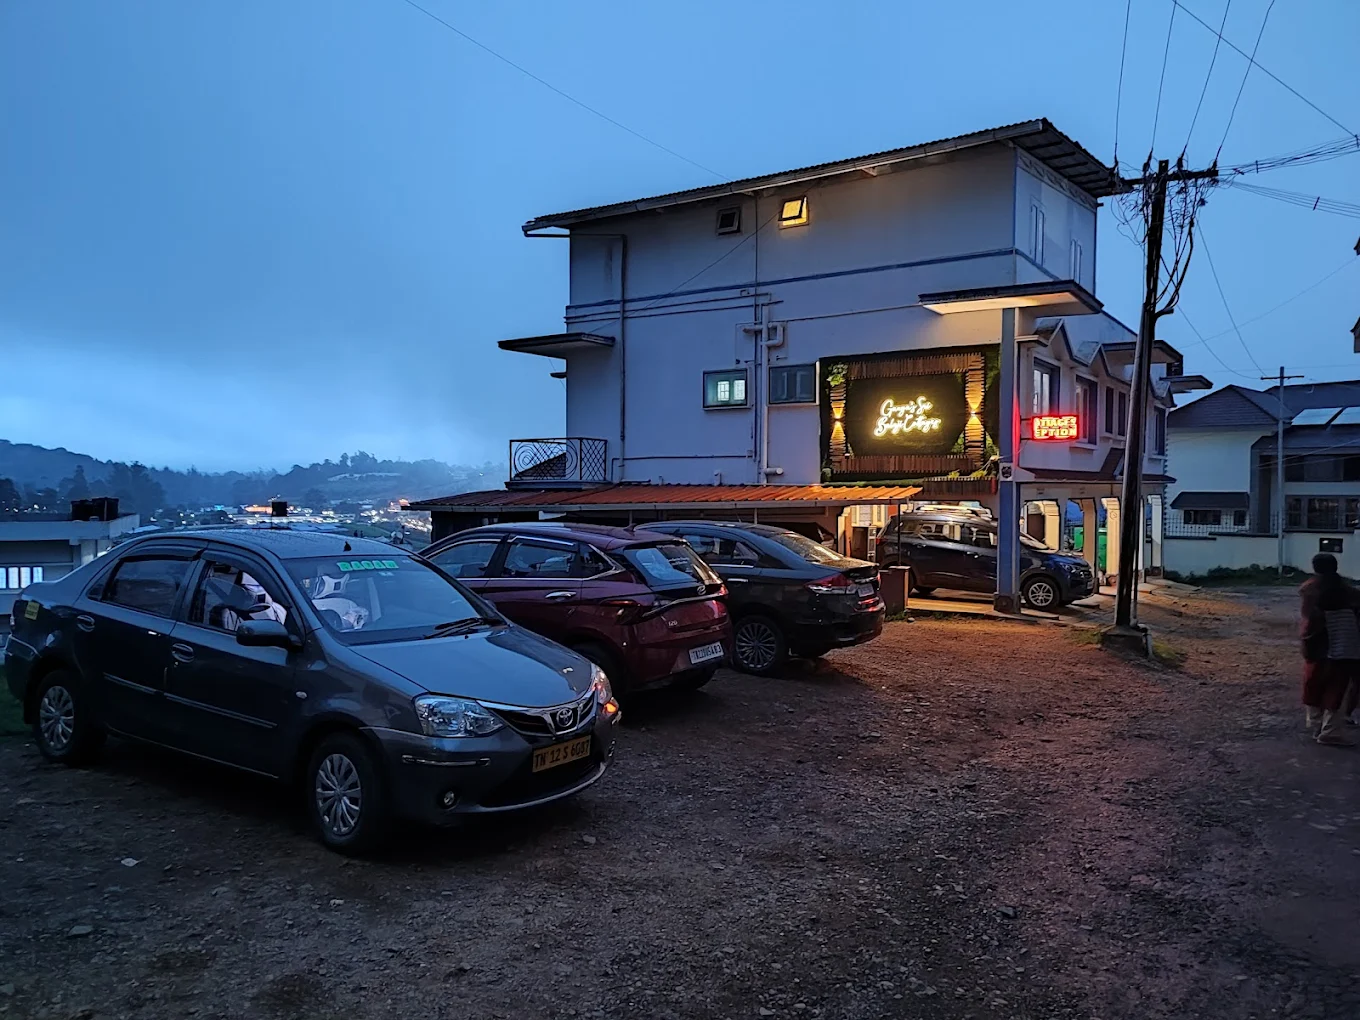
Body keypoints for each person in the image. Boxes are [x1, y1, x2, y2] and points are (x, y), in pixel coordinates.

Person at [1299, 552, 1360, 746]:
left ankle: (1315, 723)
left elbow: (1307, 617)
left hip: (1316, 641)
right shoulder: (1349, 591)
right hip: (1345, 642)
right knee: (1337, 686)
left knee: (1313, 682)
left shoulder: (1309, 589)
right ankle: (1330, 730)